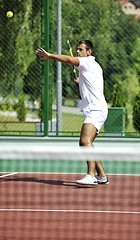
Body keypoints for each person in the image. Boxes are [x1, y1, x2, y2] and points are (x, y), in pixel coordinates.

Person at [36, 40, 109, 185]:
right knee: (87, 144)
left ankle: (91, 175)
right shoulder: (92, 66)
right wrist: (80, 83)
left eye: (81, 49)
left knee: (84, 141)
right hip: (95, 109)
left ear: (89, 52)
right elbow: (91, 84)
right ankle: (102, 175)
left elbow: (69, 60)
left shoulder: (87, 62)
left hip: (96, 109)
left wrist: (50, 56)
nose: (77, 52)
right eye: (77, 49)